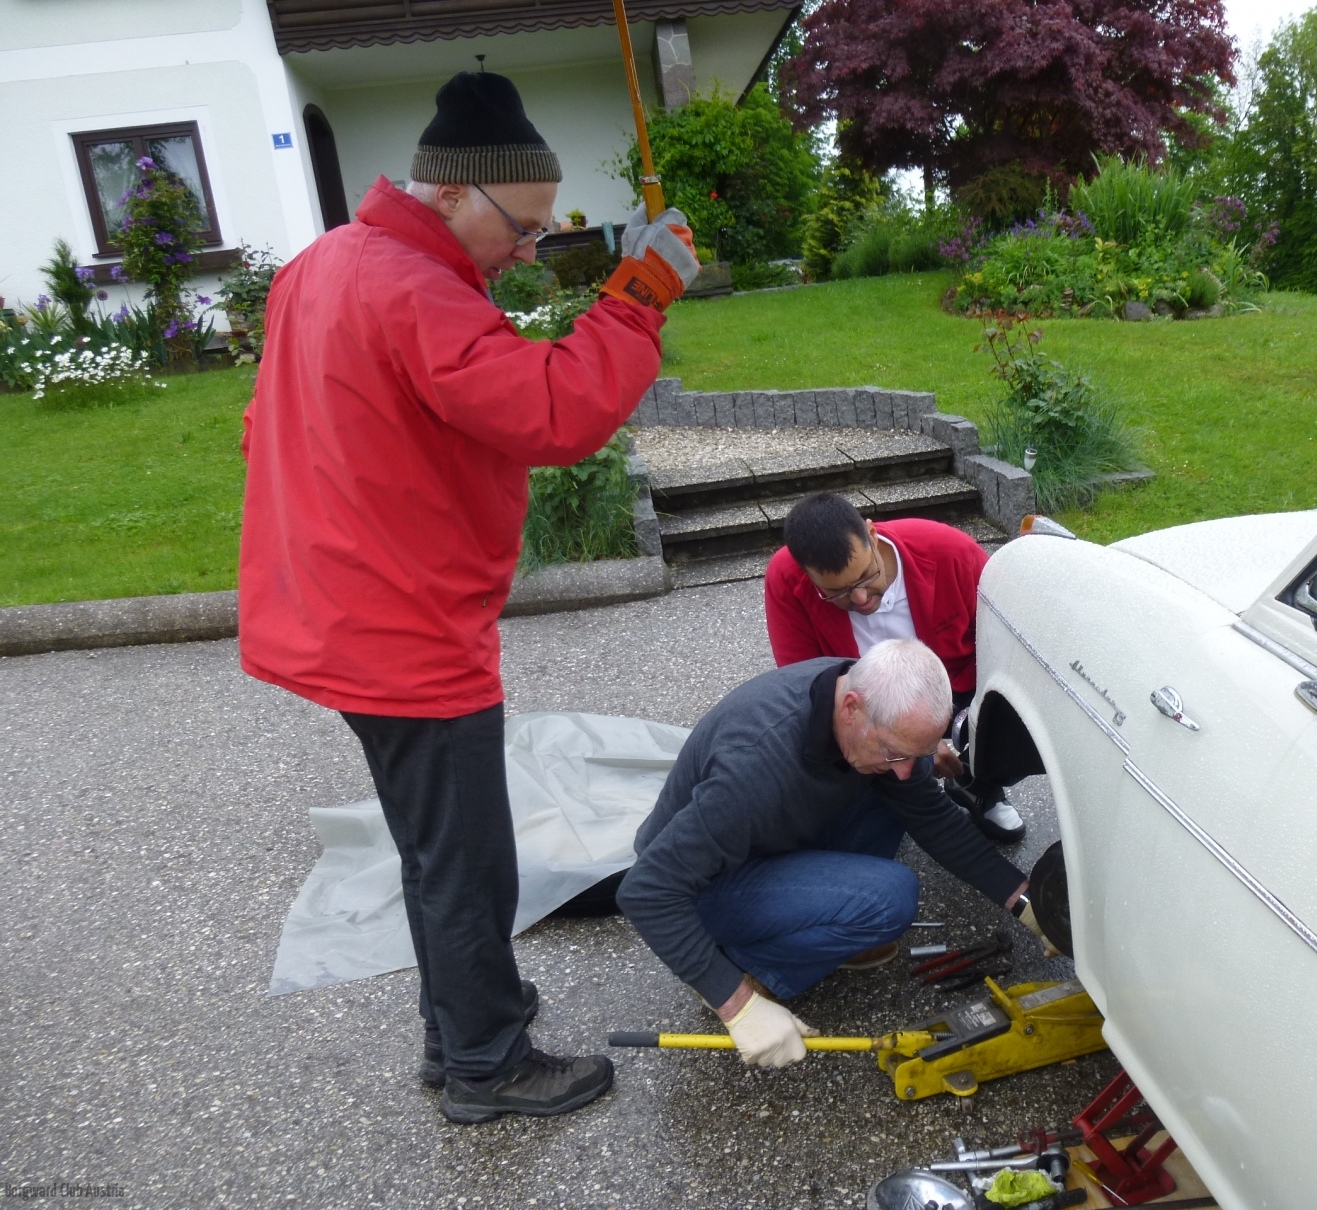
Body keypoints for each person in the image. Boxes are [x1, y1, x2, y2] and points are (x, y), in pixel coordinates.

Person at [237, 70, 700, 1124]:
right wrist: (637, 297)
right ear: (451, 191)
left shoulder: (322, 265)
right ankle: (488, 1066)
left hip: (340, 604)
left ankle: (457, 1033)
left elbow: (271, 425)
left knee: (433, 848)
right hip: (401, 626)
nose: (529, 250)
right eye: (522, 227)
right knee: (468, 863)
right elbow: (554, 409)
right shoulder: (414, 288)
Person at [616, 639, 1051, 1068]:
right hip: (701, 886)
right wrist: (736, 1004)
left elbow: (932, 816)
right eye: (895, 753)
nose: (905, 769)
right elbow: (647, 890)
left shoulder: (870, 700)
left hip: (765, 838)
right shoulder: (753, 769)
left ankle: (818, 917)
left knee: (895, 795)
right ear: (851, 708)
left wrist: (1027, 903)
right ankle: (741, 964)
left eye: (915, 754)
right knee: (889, 898)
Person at [763, 494, 1026, 843]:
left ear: (872, 535)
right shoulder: (785, 578)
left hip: (958, 686)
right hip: (867, 700)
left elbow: (1011, 644)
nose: (860, 599)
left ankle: (979, 783)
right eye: (837, 592)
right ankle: (879, 793)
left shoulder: (950, 551)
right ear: (807, 574)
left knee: (1018, 713)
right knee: (814, 737)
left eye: (866, 576)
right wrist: (914, 749)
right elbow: (806, 681)